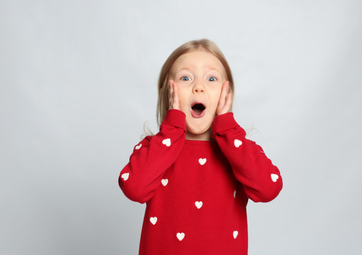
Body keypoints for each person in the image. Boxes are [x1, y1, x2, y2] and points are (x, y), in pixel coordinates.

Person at [118, 39, 283, 254]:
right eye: (185, 78)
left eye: (211, 78)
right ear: (169, 93)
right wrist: (172, 130)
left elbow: (269, 188)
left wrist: (228, 130)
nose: (199, 87)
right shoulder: (153, 148)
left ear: (226, 93)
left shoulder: (238, 149)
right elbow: (134, 188)